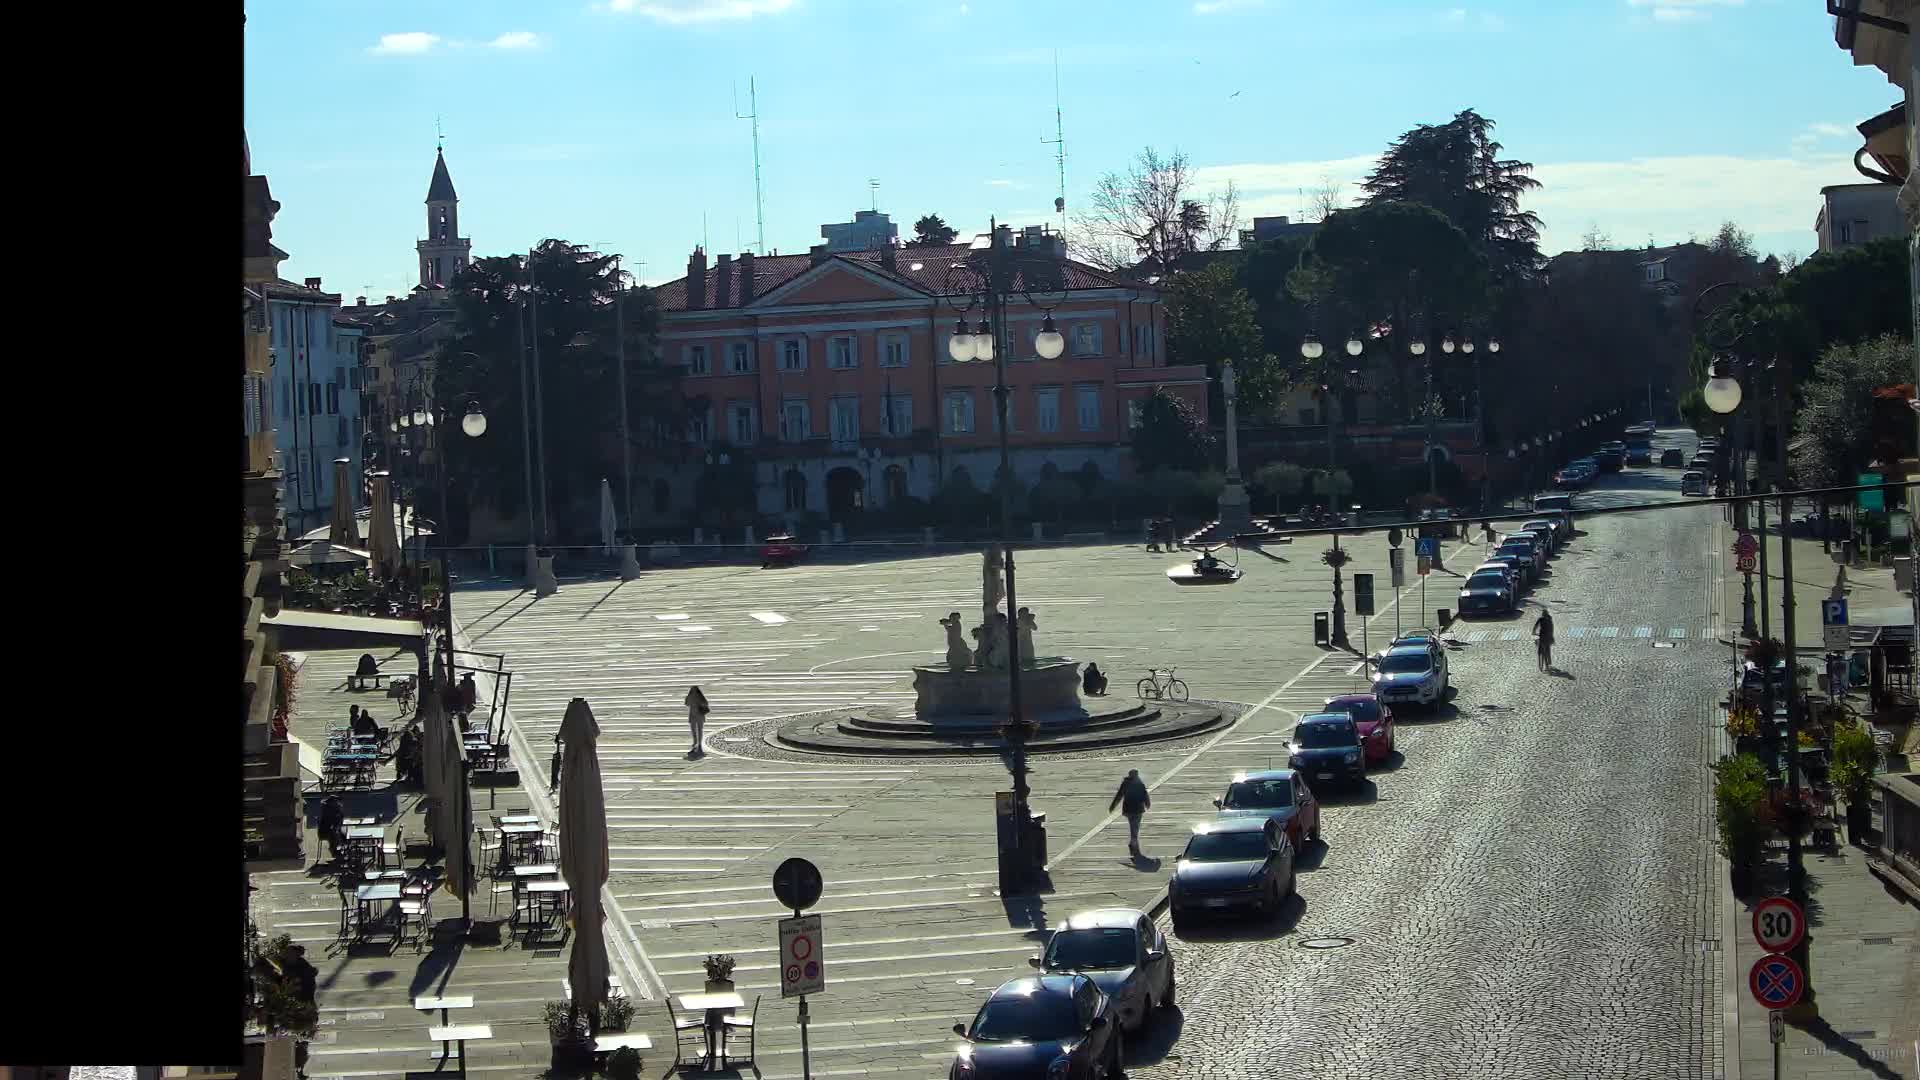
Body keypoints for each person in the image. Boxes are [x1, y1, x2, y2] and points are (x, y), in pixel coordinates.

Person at [1108, 769, 1151, 856]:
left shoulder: (1125, 784)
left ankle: (1134, 846)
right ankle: (1133, 847)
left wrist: (1113, 806)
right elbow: (1145, 795)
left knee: (1133, 828)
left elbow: (1119, 796)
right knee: (1135, 829)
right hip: (1138, 810)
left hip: (1128, 810)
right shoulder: (1140, 784)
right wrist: (1147, 804)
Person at [317, 793, 347, 863]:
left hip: (333, 830)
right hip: (325, 831)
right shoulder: (328, 810)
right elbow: (332, 823)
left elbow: (338, 822)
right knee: (334, 837)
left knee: (343, 837)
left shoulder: (335, 809)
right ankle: (337, 855)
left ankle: (341, 854)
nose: (339, 803)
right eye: (337, 802)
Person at [686, 685, 711, 757]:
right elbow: (687, 703)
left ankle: (699, 745)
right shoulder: (690, 696)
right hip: (693, 716)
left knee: (699, 731)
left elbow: (705, 703)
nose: (693, 692)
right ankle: (695, 745)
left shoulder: (700, 697)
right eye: (692, 690)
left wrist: (699, 704)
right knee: (694, 731)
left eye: (694, 690)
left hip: (699, 716)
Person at [1532, 608, 1555, 672]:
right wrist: (1552, 636)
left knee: (1542, 649)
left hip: (1542, 636)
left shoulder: (1541, 619)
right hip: (1548, 636)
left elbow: (1535, 626)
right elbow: (1552, 627)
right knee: (1547, 649)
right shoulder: (1550, 619)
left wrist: (1533, 632)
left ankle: (1545, 665)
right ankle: (1549, 662)